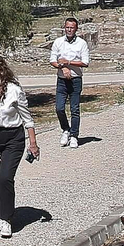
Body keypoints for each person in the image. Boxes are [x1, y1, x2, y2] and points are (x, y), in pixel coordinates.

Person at [0, 53, 38, 239]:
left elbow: (27, 118)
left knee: (5, 178)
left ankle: (6, 218)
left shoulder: (14, 90)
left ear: (1, 70)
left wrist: (33, 143)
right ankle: (0, 213)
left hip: (14, 139)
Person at [49, 17, 91, 148]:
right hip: (62, 80)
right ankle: (65, 129)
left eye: (72, 28)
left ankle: (74, 135)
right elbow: (53, 60)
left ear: (76, 29)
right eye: (67, 27)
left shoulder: (81, 43)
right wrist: (62, 67)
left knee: (74, 109)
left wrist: (68, 62)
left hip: (76, 79)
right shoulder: (58, 42)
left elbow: (85, 62)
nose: (69, 30)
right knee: (59, 108)